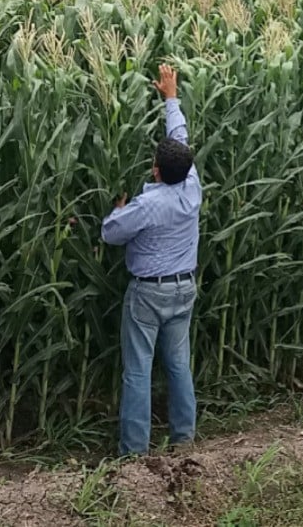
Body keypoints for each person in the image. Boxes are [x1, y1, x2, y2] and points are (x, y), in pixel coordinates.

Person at [101, 63, 201, 456]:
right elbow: (180, 137)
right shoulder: (192, 188)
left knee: (138, 370)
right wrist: (171, 98)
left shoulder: (148, 204)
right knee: (178, 366)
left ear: (155, 171)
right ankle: (183, 439)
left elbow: (111, 233)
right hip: (183, 289)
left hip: (148, 295)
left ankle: (134, 454)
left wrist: (118, 209)